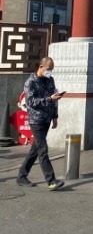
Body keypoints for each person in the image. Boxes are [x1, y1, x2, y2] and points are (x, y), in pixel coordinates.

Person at [17, 56, 65, 190]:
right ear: (41, 67)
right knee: (43, 149)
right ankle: (51, 180)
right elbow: (31, 102)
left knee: (35, 150)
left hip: (47, 119)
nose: (50, 72)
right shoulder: (30, 82)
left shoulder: (50, 80)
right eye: (48, 69)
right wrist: (49, 99)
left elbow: (54, 98)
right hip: (36, 120)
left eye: (52, 70)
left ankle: (22, 175)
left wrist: (55, 116)